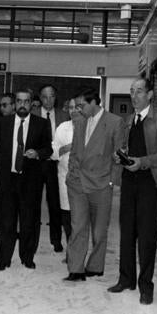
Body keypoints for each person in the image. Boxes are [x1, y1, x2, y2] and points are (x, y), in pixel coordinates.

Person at [108, 78, 157, 305]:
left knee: (147, 237)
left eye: (139, 91)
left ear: (149, 95)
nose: (134, 95)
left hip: (150, 182)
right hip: (129, 181)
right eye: (131, 91)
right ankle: (126, 278)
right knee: (126, 232)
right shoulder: (128, 120)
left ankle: (146, 287)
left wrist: (143, 162)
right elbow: (123, 147)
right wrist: (119, 156)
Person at [64, 88, 124, 282]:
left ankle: (96, 266)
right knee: (78, 226)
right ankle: (76, 269)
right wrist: (71, 174)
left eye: (81, 106)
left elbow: (120, 155)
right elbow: (75, 151)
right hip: (78, 183)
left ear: (94, 103)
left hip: (101, 184)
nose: (78, 110)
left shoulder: (115, 122)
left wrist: (112, 181)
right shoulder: (80, 122)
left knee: (99, 230)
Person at [0, 90, 52, 271]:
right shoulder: (3, 123)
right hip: (7, 179)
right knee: (7, 221)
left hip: (30, 181)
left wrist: (38, 153)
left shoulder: (41, 124)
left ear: (31, 104)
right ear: (14, 103)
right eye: (19, 101)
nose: (22, 105)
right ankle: (4, 259)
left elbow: (48, 149)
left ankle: (27, 257)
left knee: (29, 221)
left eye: (26, 102)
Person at [33, 84, 69, 253]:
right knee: (33, 203)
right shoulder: (32, 115)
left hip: (56, 165)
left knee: (55, 204)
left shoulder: (64, 116)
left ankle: (56, 239)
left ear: (56, 97)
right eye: (45, 97)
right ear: (40, 98)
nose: (48, 100)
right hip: (37, 164)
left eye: (52, 96)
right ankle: (32, 239)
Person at [52, 98, 81, 262]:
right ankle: (72, 251)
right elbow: (54, 152)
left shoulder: (90, 127)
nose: (73, 111)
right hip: (64, 177)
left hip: (84, 179)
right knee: (67, 217)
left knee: (80, 218)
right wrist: (68, 147)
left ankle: (79, 252)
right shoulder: (62, 128)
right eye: (69, 107)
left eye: (76, 107)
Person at [0, 92, 16, 236]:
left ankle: (14, 229)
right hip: (2, 169)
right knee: (3, 201)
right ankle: (3, 228)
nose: (2, 108)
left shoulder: (22, 122)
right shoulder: (0, 122)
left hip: (18, 169)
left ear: (13, 106)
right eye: (0, 105)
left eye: (5, 105)